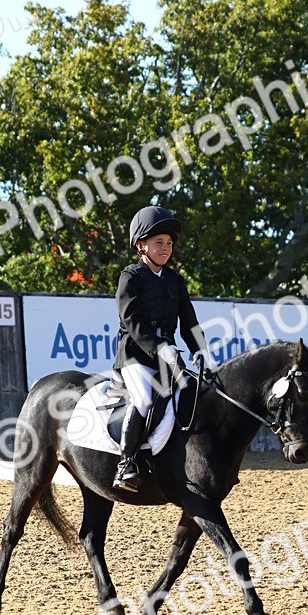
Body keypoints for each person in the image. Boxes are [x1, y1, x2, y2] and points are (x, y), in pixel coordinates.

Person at [112, 206, 210, 492]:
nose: (166, 248)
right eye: (159, 242)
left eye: (169, 243)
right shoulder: (130, 277)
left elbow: (189, 322)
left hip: (168, 358)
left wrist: (199, 349)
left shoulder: (175, 281)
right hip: (135, 356)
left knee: (195, 394)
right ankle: (126, 464)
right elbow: (131, 322)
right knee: (144, 399)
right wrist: (160, 347)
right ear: (141, 246)